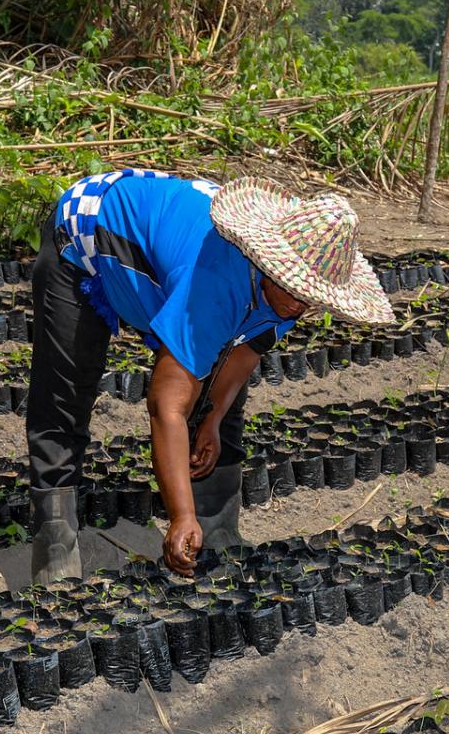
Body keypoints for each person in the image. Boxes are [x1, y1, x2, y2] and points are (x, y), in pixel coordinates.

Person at [26, 170, 394, 581]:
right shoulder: (217, 282)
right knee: (66, 391)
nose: (301, 303)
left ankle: (217, 528)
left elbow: (245, 350)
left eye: (312, 295)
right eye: (295, 288)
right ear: (268, 263)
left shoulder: (292, 293)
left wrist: (214, 420)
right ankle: (54, 539)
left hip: (168, 257)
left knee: (214, 393)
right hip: (89, 231)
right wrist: (179, 515)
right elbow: (165, 406)